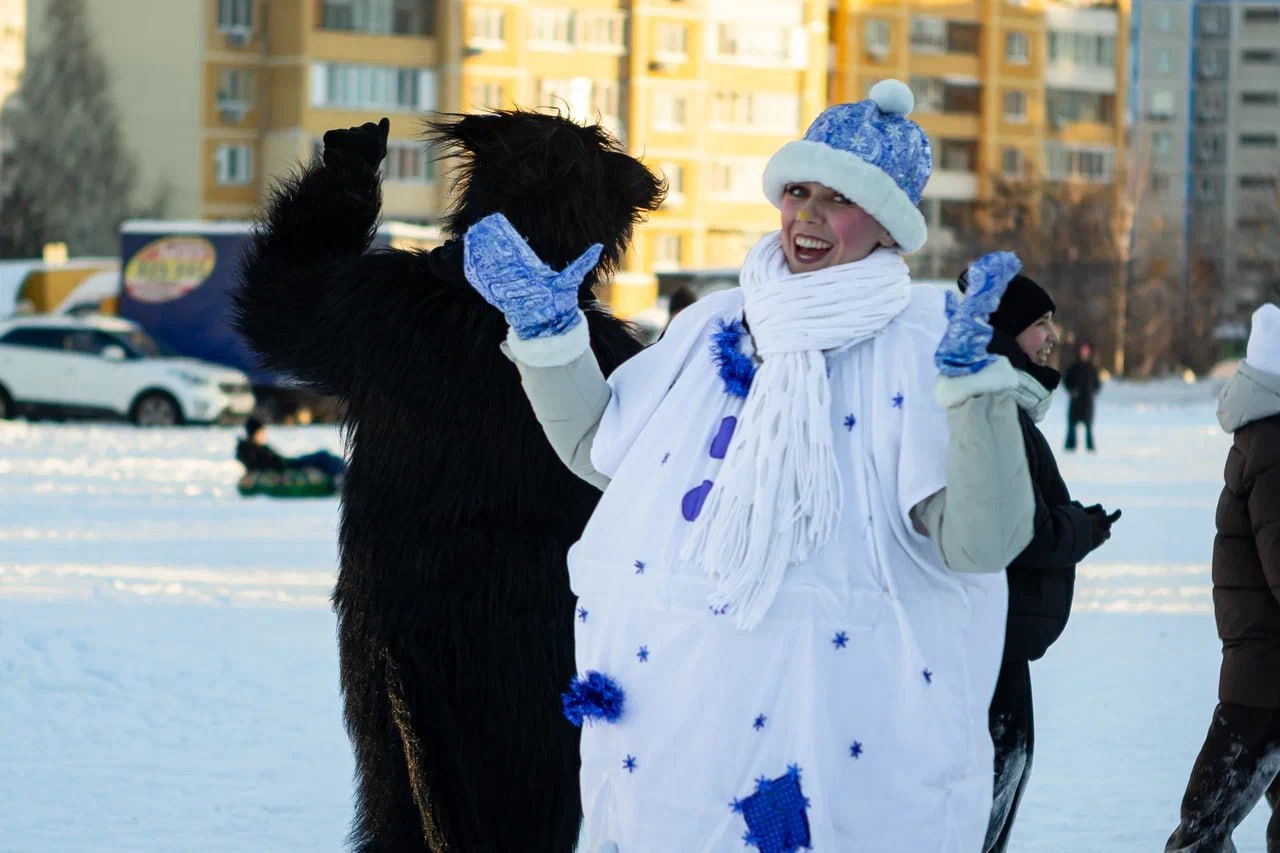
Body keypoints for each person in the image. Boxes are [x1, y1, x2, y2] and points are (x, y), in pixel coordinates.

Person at [464, 79, 1035, 851]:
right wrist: (547, 334)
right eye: (798, 190)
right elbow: (605, 450)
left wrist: (973, 394)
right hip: (686, 727)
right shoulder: (712, 327)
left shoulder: (918, 344)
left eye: (839, 199)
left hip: (844, 729)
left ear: (889, 224)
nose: (807, 214)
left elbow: (980, 543)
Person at [234, 111, 661, 851]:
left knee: (408, 823)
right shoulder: (609, 359)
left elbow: (276, 310)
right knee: (524, 826)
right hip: (540, 639)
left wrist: (340, 193)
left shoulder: (393, 307)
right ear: (603, 232)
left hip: (398, 625)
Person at [959, 270, 1121, 852]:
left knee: (1006, 770)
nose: (1050, 336)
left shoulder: (1005, 402)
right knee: (996, 773)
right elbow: (1020, 531)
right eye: (1039, 324)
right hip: (985, 628)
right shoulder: (994, 404)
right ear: (1006, 332)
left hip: (998, 627)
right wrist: (1080, 526)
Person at [1166, 303, 1280, 853]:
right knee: (1204, 829)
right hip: (1265, 673)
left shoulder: (1261, 439)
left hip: (1264, 667)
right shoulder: (1275, 449)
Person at [1063, 342, 1101, 452]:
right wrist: (1071, 390)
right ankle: (1070, 446)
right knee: (1072, 425)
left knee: (1088, 426)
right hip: (1075, 401)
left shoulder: (1092, 368)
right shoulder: (1073, 367)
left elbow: (1097, 384)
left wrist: (1093, 391)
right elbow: (1066, 381)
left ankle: (1090, 447)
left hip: (1087, 402)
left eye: (1086, 351)